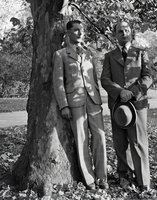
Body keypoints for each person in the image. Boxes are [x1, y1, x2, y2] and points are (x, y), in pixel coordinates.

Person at [53, 20, 108, 190]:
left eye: (81, 31)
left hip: (94, 102)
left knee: (100, 137)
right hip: (74, 103)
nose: (79, 33)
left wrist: (98, 98)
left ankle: (102, 177)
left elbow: (94, 79)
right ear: (68, 33)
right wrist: (63, 106)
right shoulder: (61, 54)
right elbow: (58, 82)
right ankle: (89, 179)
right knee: (82, 140)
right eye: (76, 30)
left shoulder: (89, 54)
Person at [101, 20, 153, 191]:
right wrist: (119, 92)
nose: (124, 33)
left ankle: (143, 179)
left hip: (137, 104)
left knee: (138, 142)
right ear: (114, 35)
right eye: (120, 31)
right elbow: (105, 80)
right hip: (117, 106)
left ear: (131, 32)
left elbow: (148, 77)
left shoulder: (141, 53)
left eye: (126, 30)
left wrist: (132, 92)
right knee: (120, 143)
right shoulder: (109, 56)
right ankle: (124, 175)